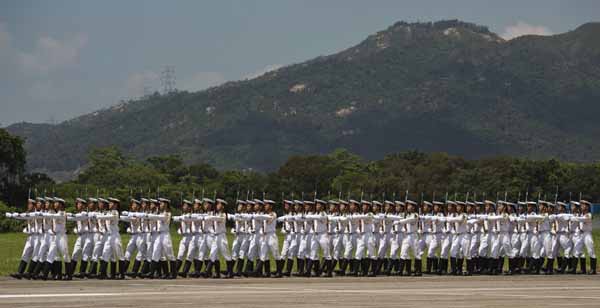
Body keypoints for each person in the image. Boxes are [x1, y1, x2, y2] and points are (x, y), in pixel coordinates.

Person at [5, 198, 37, 279]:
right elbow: (22, 217)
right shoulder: (28, 213)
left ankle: (33, 273)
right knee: (25, 254)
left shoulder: (37, 213)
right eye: (28, 204)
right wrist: (14, 216)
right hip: (30, 237)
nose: (28, 206)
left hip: (38, 237)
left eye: (30, 204)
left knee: (36, 256)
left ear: (33, 205)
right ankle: (20, 272)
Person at [43, 198, 73, 280]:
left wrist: (43, 215)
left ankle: (69, 275)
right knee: (51, 254)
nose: (55, 204)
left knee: (65, 255)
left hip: (62, 236)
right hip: (55, 236)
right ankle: (45, 274)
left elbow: (56, 216)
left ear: (61, 205)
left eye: (57, 203)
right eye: (55, 203)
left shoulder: (63, 213)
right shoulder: (54, 213)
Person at [121, 199, 145, 278]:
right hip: (133, 236)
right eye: (132, 205)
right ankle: (123, 271)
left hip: (140, 236)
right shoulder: (131, 214)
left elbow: (132, 218)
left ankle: (135, 271)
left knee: (140, 254)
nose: (132, 206)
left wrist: (125, 215)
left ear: (138, 206)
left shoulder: (140, 214)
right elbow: (128, 219)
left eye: (134, 205)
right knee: (127, 252)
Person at [68, 198, 92, 278]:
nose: (78, 205)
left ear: (84, 205)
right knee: (75, 253)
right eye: (77, 204)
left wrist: (67, 216)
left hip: (87, 236)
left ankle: (82, 272)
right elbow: (77, 223)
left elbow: (76, 217)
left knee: (85, 254)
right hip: (80, 236)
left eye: (80, 204)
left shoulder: (85, 213)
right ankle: (70, 272)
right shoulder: (77, 214)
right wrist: (76, 230)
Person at [571, 200, 596, 274]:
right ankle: (574, 269)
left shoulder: (589, 214)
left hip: (587, 234)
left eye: (583, 205)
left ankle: (593, 269)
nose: (581, 206)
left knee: (590, 251)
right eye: (581, 205)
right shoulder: (581, 214)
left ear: (587, 207)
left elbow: (583, 219)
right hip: (581, 234)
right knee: (576, 250)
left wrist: (574, 218)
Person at [174, 199, 193, 276]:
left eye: (185, 206)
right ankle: (175, 271)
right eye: (183, 206)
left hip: (191, 237)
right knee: (180, 254)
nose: (183, 207)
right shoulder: (182, 215)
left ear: (189, 208)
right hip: (184, 237)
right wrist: (180, 230)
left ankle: (185, 272)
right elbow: (181, 226)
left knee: (189, 255)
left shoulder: (192, 216)